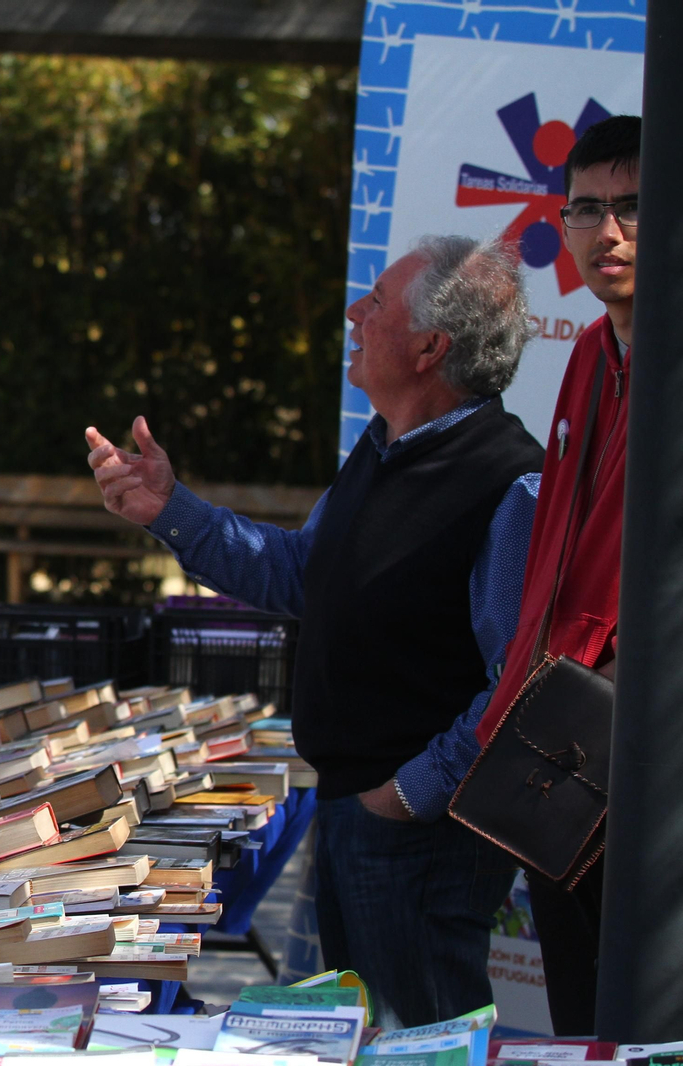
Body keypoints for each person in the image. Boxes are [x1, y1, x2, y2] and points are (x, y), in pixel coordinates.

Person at [86, 236, 544, 1028]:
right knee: (376, 1039)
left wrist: (404, 796)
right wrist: (171, 510)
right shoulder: (381, 450)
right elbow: (305, 573)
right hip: (360, 812)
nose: (354, 314)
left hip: (418, 835)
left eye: (377, 303)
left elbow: (520, 687)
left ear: (431, 347)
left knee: (425, 1042)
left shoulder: (507, 486)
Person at [469, 115, 638, 1035]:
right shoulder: (585, 354)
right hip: (557, 733)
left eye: (635, 209)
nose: (607, 233)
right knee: (577, 1013)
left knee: (641, 1011)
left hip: (633, 743)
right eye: (587, 210)